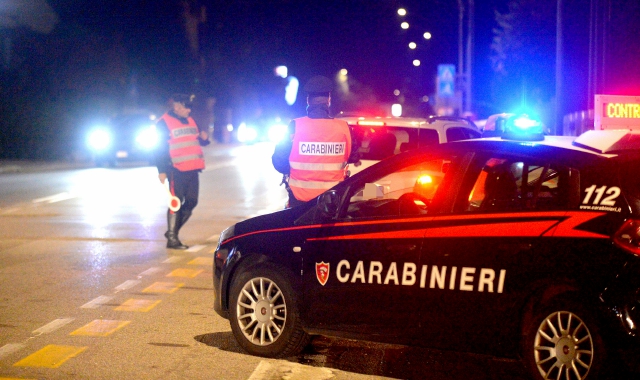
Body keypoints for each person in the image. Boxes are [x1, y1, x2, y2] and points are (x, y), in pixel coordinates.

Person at [272, 75, 354, 208]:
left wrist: (295, 172)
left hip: (299, 205)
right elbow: (350, 157)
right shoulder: (344, 128)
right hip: (332, 205)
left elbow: (279, 162)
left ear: (308, 100)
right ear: (329, 100)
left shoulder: (295, 126)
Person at [155, 94, 209, 249]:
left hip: (193, 168)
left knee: (192, 201)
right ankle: (172, 239)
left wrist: (204, 139)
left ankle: (172, 231)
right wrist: (162, 170)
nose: (189, 111)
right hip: (175, 169)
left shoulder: (191, 120)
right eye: (187, 108)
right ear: (177, 107)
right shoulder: (163, 123)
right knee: (176, 203)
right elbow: (158, 149)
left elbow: (196, 140)